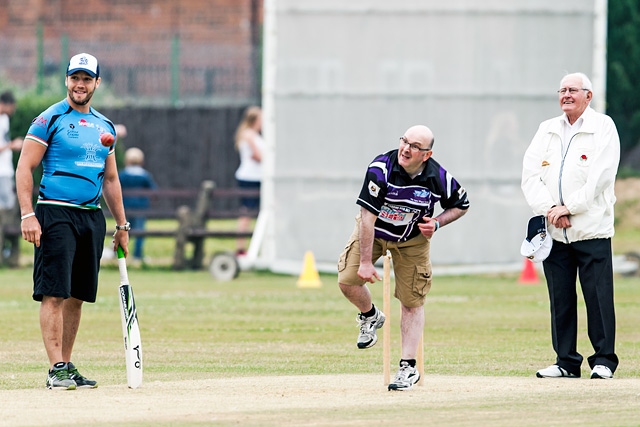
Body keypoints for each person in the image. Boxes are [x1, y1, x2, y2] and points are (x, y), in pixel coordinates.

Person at [15, 53, 130, 390]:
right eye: (75, 78)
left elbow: (110, 181)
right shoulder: (48, 119)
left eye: (87, 79)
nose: (80, 85)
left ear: (96, 83)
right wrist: (27, 214)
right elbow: (25, 168)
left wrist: (121, 226)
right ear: (66, 80)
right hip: (55, 212)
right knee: (54, 292)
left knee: (77, 296)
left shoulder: (104, 127)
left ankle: (65, 363)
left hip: (90, 218)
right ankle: (55, 368)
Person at [337, 125, 469, 390]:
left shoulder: (438, 177)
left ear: (427, 154)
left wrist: (438, 223)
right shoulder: (381, 169)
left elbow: (461, 205)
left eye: (415, 146)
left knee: (411, 301)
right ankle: (370, 315)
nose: (406, 149)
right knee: (347, 280)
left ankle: (408, 368)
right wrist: (365, 262)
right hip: (373, 232)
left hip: (412, 242)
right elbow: (367, 217)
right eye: (405, 141)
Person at [521, 72, 620, 380]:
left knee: (598, 297)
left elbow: (601, 177)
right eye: (562, 90)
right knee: (561, 299)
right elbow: (530, 176)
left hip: (591, 230)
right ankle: (566, 361)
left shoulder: (603, 126)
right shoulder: (547, 129)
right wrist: (551, 209)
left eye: (573, 90)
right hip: (554, 231)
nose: (566, 95)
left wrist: (570, 207)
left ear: (587, 96)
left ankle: (603, 360)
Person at [233, 106, 263, 255]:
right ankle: (240, 247)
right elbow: (258, 156)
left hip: (257, 177)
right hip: (250, 178)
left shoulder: (254, 135)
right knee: (246, 213)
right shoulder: (249, 135)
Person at [119, 146, 157, 262]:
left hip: (125, 206)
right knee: (139, 231)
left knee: (123, 230)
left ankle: (120, 254)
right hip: (140, 207)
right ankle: (137, 255)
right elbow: (153, 190)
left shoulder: (123, 175)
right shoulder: (144, 176)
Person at [0, 91, 23, 267]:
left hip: (7, 172)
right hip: (1, 174)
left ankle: (9, 254)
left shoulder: (5, 120)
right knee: (5, 213)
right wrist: (12, 145)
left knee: (11, 212)